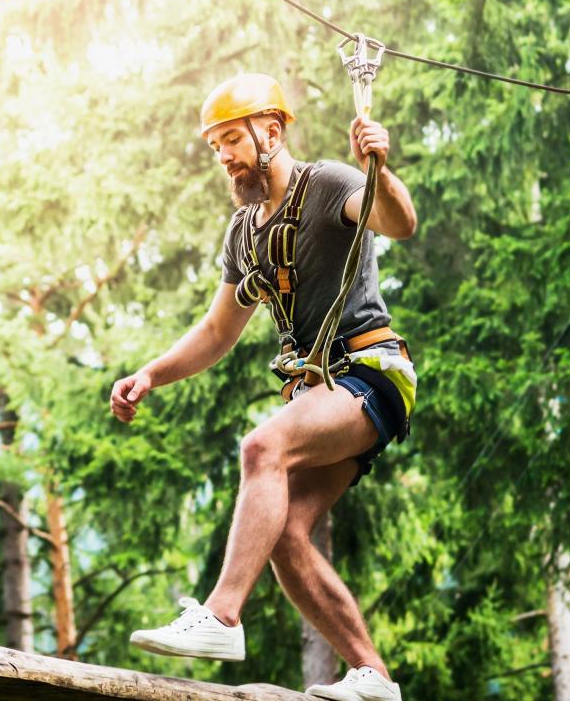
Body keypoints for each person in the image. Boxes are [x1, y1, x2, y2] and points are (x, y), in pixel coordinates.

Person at [109, 72, 418, 701]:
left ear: (271, 131)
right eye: (214, 145)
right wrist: (151, 373)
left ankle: (222, 617)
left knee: (261, 448)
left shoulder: (330, 184)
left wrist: (377, 168)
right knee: (282, 534)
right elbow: (218, 330)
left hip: (372, 372)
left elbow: (398, 222)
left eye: (231, 140)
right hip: (323, 392)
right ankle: (373, 677)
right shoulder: (244, 232)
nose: (223, 156)